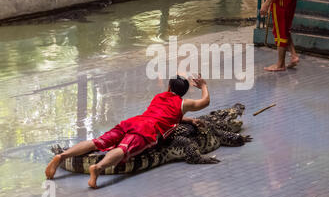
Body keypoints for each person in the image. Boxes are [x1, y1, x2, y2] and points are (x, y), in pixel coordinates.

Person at [45, 74, 210, 189]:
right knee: (123, 150)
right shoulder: (183, 103)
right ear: (184, 93)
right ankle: (98, 168)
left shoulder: (159, 97)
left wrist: (188, 120)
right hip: (148, 129)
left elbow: (167, 116)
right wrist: (203, 86)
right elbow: (205, 102)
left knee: (98, 142)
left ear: (168, 87)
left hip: (133, 121)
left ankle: (62, 156)